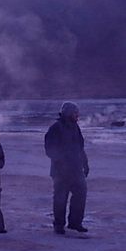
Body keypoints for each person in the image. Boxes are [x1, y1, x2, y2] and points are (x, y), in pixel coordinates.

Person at [44, 101, 89, 235]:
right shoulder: (55, 128)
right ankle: (59, 224)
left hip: (76, 170)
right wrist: (61, 161)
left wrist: (85, 164)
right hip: (60, 172)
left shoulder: (76, 128)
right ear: (69, 113)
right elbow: (49, 148)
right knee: (60, 198)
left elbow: (80, 147)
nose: (78, 115)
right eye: (75, 112)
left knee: (81, 194)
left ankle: (75, 222)